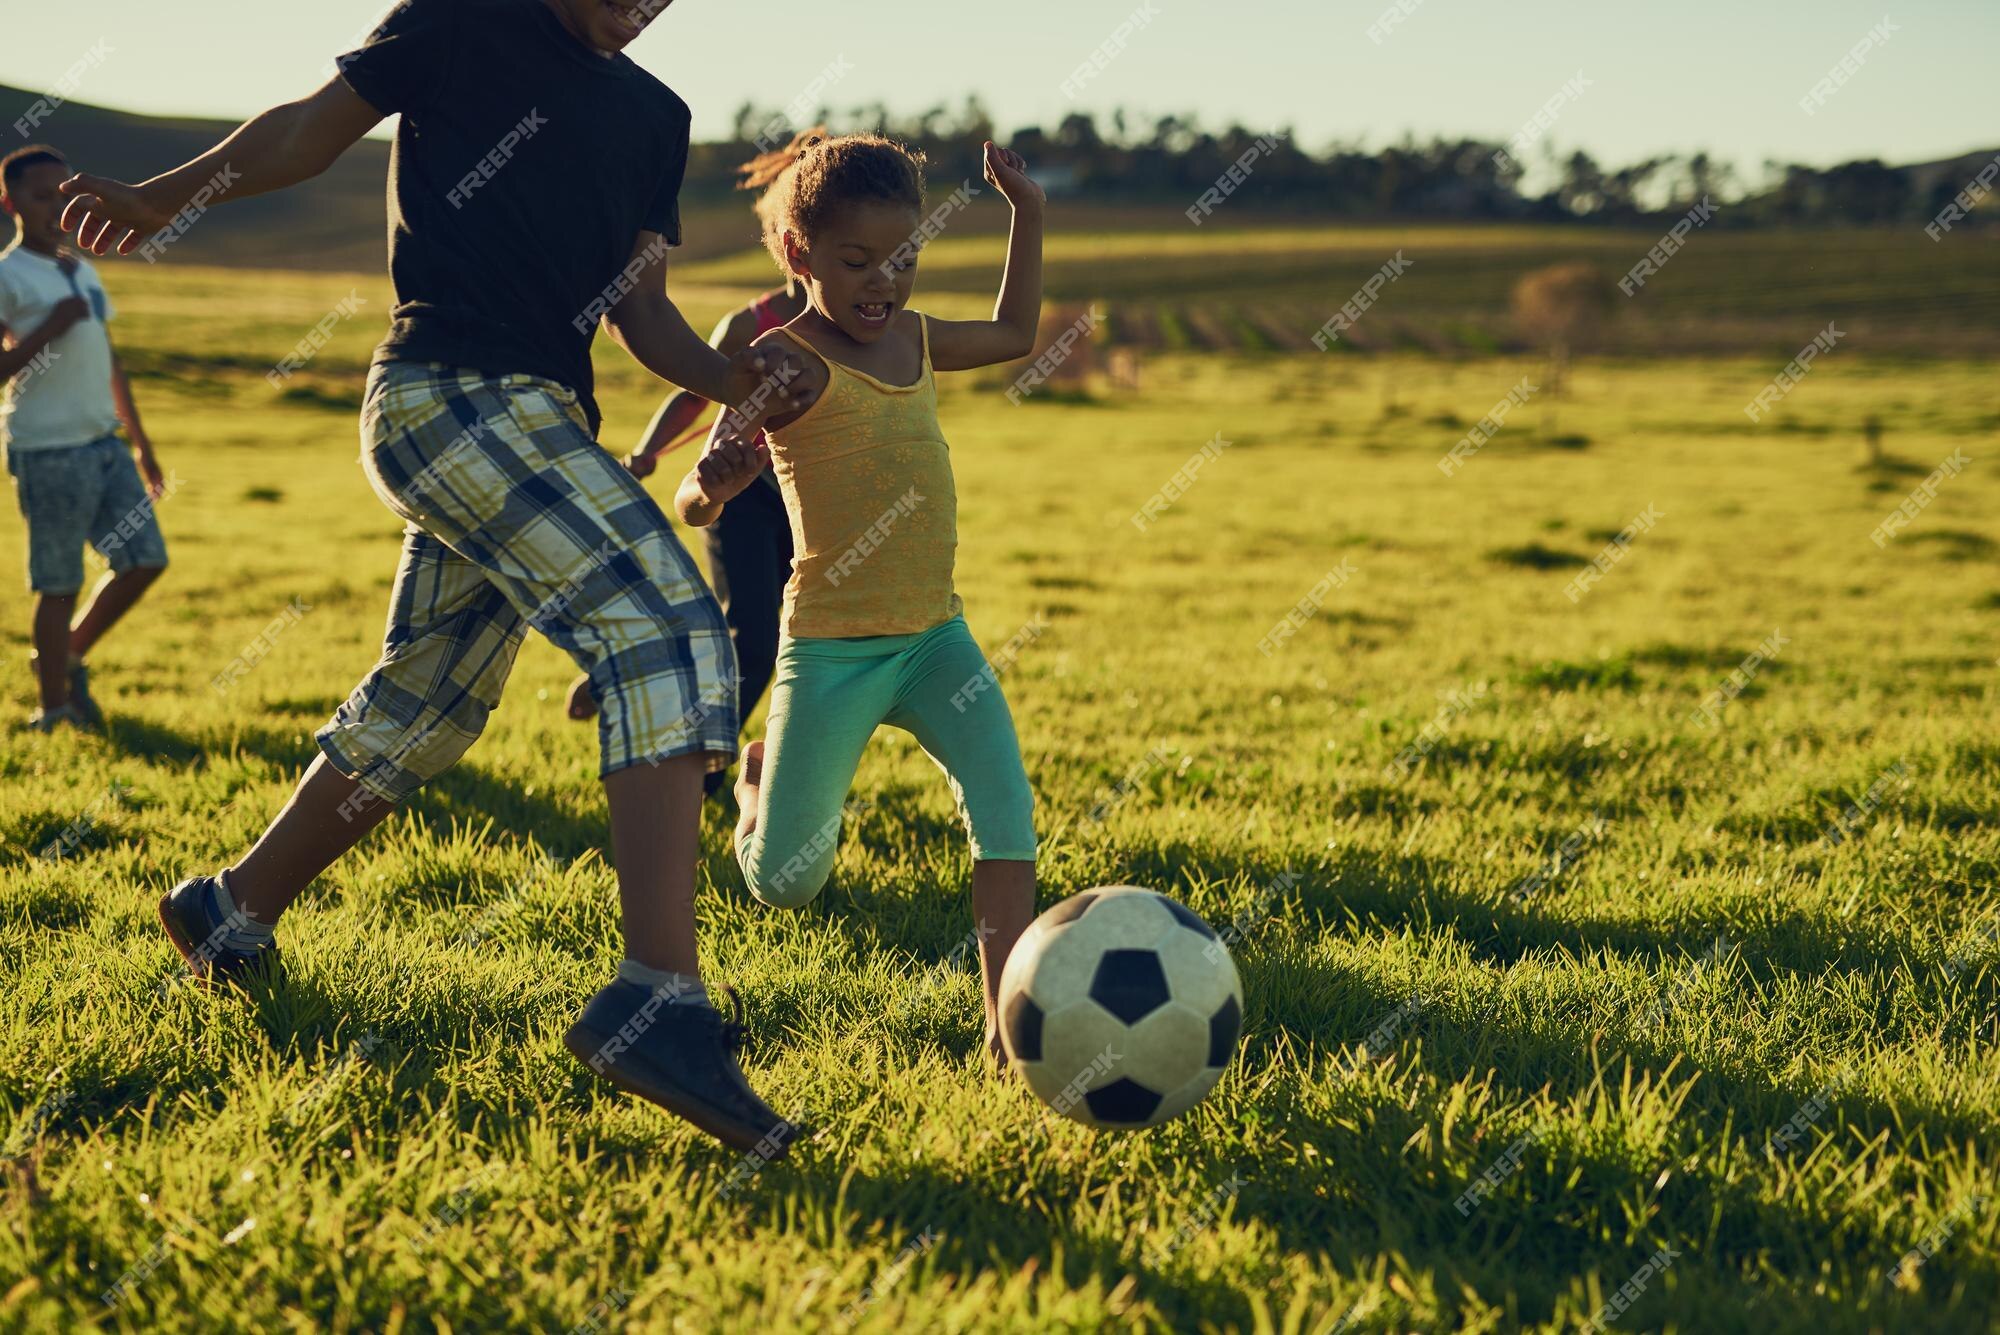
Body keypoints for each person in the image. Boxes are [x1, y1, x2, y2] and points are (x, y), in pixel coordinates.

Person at [55, 0, 814, 1155]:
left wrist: (736, 377)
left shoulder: (656, 114)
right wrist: (170, 195)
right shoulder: (466, 19)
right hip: (443, 394)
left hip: (546, 416)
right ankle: (657, 1002)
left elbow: (639, 309)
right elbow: (309, 129)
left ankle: (228, 911)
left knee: (430, 702)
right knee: (664, 625)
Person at [679, 132, 1044, 1068]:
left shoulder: (917, 339)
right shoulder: (780, 362)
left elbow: (1012, 337)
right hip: (832, 649)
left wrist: (1027, 216)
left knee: (1006, 814)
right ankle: (754, 785)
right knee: (786, 885)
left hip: (937, 641)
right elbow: (692, 497)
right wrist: (715, 481)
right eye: (857, 262)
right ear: (802, 257)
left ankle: (1006, 1035)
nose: (885, 280)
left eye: (904, 258)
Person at [563, 136, 821, 806]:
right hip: (741, 495)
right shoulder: (751, 322)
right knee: (756, 642)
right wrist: (649, 453)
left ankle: (665, 671)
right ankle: (703, 773)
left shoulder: (863, 327)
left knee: (794, 645)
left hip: (817, 507)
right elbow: (693, 392)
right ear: (789, 242)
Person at [0, 144, 169, 732]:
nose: (55, 207)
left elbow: (109, 360)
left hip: (105, 443)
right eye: (40, 196)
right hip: (48, 448)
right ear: (10, 201)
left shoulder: (83, 269)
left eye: (64, 195)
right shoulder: (7, 276)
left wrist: (141, 442)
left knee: (145, 559)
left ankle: (65, 656)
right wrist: (48, 328)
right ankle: (52, 712)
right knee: (59, 581)